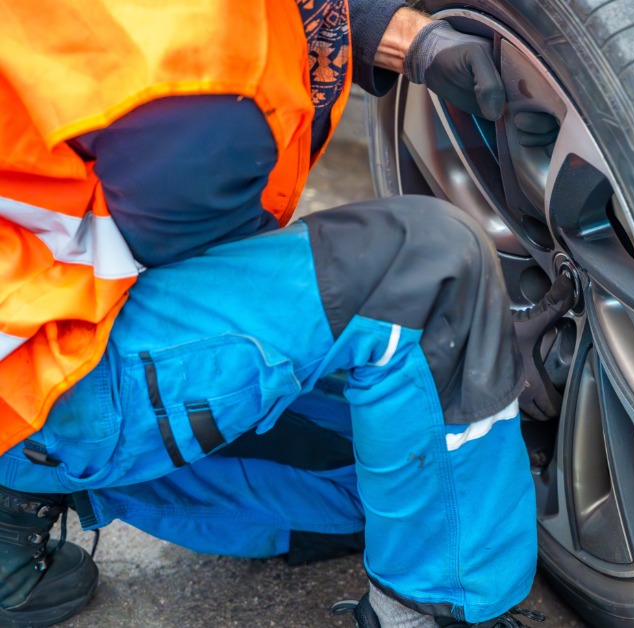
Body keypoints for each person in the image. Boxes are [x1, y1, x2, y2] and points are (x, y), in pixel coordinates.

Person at [0, 1, 572, 626]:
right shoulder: (189, 57)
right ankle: (433, 609)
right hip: (41, 382)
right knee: (423, 275)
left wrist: (400, 38)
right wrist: (475, 346)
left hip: (23, 317)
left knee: (404, 476)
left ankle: (17, 503)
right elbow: (207, 255)